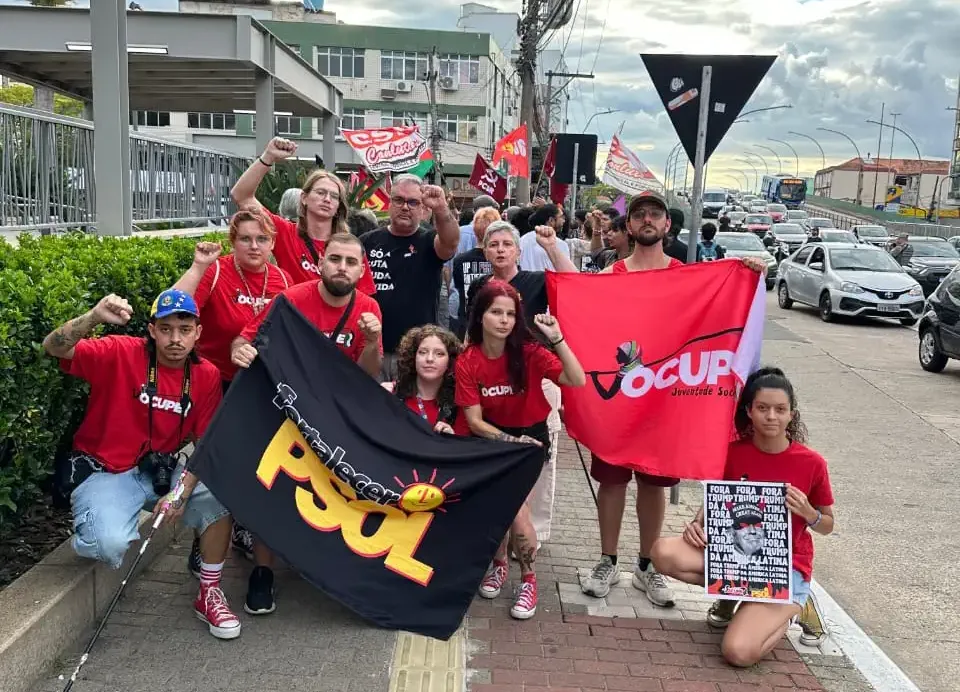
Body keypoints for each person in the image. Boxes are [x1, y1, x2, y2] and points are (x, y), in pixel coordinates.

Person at [581, 190, 768, 607]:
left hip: (667, 399)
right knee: (611, 482)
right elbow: (589, 325)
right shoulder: (610, 277)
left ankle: (647, 567)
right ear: (628, 226)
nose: (647, 220)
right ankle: (607, 560)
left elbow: (723, 312)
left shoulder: (688, 276)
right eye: (639, 215)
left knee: (654, 482)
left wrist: (749, 274)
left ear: (668, 226)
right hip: (620, 398)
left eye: (655, 215)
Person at [43, 290, 240, 640]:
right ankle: (94, 524)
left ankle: (209, 591)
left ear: (198, 332)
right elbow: (54, 347)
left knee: (223, 494)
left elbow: (207, 446)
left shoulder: (206, 375)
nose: (175, 339)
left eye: (184, 328)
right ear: (151, 330)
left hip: (158, 470)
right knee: (107, 544)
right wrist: (93, 317)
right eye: (166, 329)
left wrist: (181, 492)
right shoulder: (120, 351)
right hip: (105, 469)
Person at [229, 233, 383, 615]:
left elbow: (369, 376)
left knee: (337, 492)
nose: (342, 268)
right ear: (321, 263)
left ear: (361, 270)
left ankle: (332, 567)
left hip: (335, 419)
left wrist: (370, 342)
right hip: (285, 412)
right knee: (272, 490)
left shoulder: (368, 308)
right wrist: (241, 350)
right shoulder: (290, 300)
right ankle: (263, 572)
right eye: (335, 259)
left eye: (350, 262)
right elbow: (243, 341)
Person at [651, 367, 835, 667]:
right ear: (749, 411)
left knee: (738, 653)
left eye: (780, 409)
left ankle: (794, 607)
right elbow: (717, 497)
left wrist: (809, 513)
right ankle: (740, 595)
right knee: (662, 552)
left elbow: (827, 525)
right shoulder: (733, 453)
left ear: (792, 414)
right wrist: (698, 524)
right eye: (762, 408)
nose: (771, 416)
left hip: (785, 566)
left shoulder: (812, 463)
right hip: (738, 559)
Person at [456, 280, 586, 619]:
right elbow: (474, 421)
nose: (503, 320)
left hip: (532, 437)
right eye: (496, 312)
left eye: (510, 314)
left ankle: (529, 579)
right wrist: (510, 442)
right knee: (500, 507)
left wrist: (557, 338)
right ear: (480, 316)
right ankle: (499, 564)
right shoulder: (468, 360)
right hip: (495, 439)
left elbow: (576, 379)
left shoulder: (529, 352)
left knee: (517, 509)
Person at [172, 209, 293, 569]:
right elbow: (172, 307)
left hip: (256, 387)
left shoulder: (282, 280)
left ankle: (240, 528)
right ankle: (202, 540)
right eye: (246, 239)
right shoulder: (218, 271)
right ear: (233, 241)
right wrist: (197, 267)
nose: (254, 246)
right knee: (213, 462)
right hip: (214, 381)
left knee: (252, 464)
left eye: (262, 239)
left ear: (273, 243)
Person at [230, 136, 376, 292]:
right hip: (295, 314)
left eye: (334, 196)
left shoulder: (350, 246)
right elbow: (241, 196)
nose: (327, 199)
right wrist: (268, 156)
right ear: (304, 198)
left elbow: (365, 298)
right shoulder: (285, 233)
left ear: (339, 206)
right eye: (320, 193)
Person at [359, 174, 461, 383]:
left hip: (417, 353)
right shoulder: (367, 242)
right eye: (399, 200)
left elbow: (450, 243)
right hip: (372, 349)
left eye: (413, 202)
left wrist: (441, 208)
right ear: (390, 203)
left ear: (423, 208)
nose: (405, 207)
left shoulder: (429, 240)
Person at [382, 324, 464, 435]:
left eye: (439, 354)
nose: (429, 359)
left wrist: (453, 439)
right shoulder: (390, 393)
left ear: (450, 362)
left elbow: (467, 447)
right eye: (423, 352)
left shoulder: (460, 403)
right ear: (413, 357)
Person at [450, 207, 500, 338]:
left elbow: (457, 285)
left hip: (466, 320)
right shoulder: (500, 259)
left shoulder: (460, 260)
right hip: (495, 321)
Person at [520, 203, 572, 271]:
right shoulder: (560, 245)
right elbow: (567, 273)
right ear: (551, 220)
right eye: (561, 217)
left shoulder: (523, 240)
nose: (564, 221)